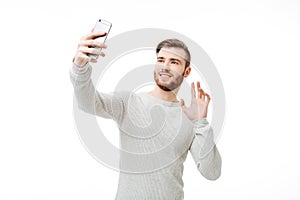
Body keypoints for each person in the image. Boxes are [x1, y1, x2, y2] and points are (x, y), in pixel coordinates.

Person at [70, 31, 222, 200]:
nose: (165, 66)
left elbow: (212, 172)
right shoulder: (128, 102)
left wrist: (200, 123)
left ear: (186, 72)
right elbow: (87, 103)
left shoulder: (190, 118)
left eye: (174, 62)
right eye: (161, 60)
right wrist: (80, 67)